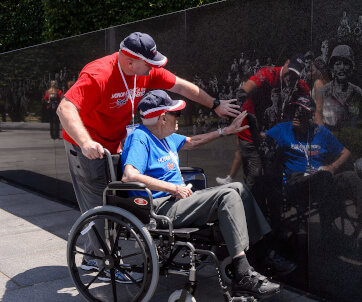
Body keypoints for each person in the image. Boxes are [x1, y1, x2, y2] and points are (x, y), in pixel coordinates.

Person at [57, 32, 240, 274]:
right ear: (130, 62)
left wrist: (215, 105)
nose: (155, 68)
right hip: (85, 144)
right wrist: (86, 142)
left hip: (115, 142)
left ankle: (97, 251)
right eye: (150, 63)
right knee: (98, 204)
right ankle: (98, 259)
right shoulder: (98, 74)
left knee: (117, 199)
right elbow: (65, 107)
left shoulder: (144, 70)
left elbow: (182, 86)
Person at [121, 90, 281, 298]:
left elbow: (193, 141)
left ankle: (261, 254)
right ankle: (242, 275)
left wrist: (227, 131)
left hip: (179, 201)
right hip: (160, 207)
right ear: (162, 118)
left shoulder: (165, 137)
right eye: (175, 114)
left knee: (239, 188)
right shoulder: (140, 138)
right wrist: (174, 188)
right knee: (227, 196)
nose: (179, 118)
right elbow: (129, 175)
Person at [260, 96, 362, 251]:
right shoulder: (282, 129)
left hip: (323, 179)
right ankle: (328, 229)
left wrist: (333, 166)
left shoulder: (321, 132)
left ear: (310, 115)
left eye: (301, 112)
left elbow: (346, 153)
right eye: (294, 111)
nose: (296, 115)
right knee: (323, 177)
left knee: (350, 176)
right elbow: (259, 139)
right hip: (298, 182)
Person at [235, 54, 309, 199]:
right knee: (254, 173)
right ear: (286, 62)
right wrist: (241, 97)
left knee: (277, 172)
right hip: (253, 125)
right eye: (290, 72)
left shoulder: (299, 86)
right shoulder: (268, 74)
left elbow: (308, 104)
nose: (290, 77)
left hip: (276, 132)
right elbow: (246, 88)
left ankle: (276, 206)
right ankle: (250, 208)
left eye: (295, 76)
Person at [315, 44, 362, 131]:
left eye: (346, 64)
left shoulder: (357, 92)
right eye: (338, 64)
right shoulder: (322, 93)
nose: (342, 68)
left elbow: (360, 122)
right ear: (332, 68)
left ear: (351, 68)